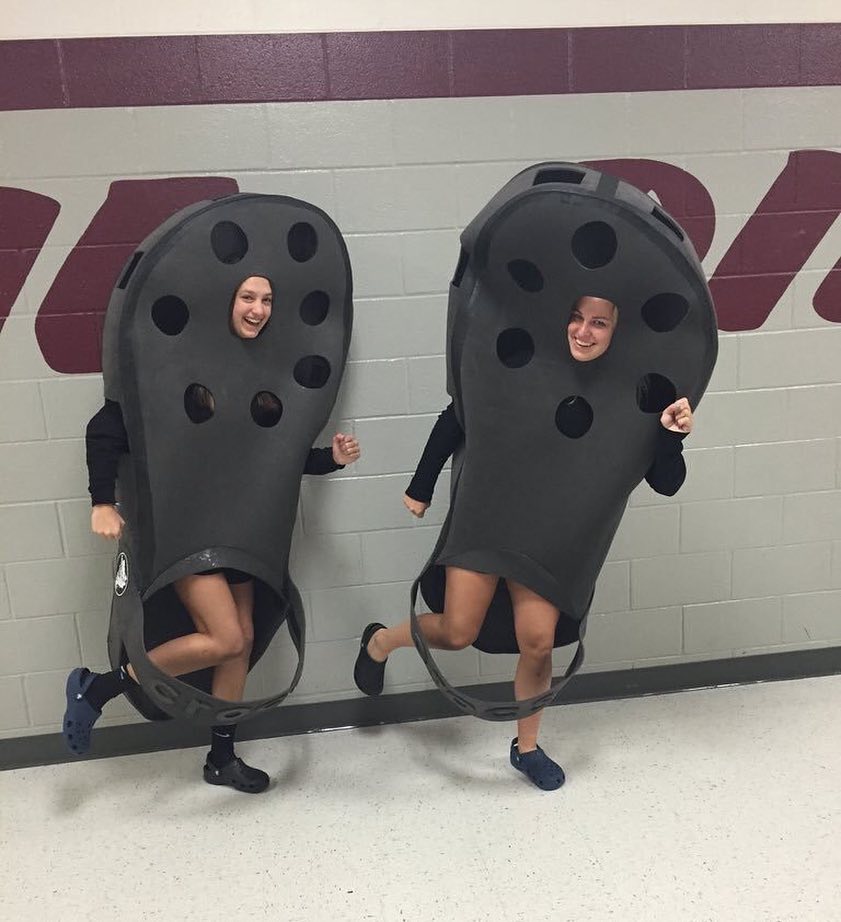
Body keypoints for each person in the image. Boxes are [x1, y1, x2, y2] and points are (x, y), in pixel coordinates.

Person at [354, 296, 693, 791]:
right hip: (488, 517)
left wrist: (671, 436)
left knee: (537, 641)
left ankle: (527, 748)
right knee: (456, 630)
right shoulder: (522, 359)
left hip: (551, 534)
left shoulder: (639, 390)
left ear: (619, 329)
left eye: (599, 323)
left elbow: (667, 482)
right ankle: (380, 641)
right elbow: (457, 415)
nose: (583, 331)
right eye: (575, 317)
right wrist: (420, 485)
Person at [63, 276, 361, 793]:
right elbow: (107, 427)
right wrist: (101, 501)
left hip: (244, 530)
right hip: (186, 532)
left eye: (268, 299)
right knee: (224, 637)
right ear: (225, 301)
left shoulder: (264, 374)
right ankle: (99, 689)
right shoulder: (180, 369)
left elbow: (279, 456)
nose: (259, 309)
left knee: (238, 645)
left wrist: (328, 460)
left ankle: (221, 758)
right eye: (248, 297)